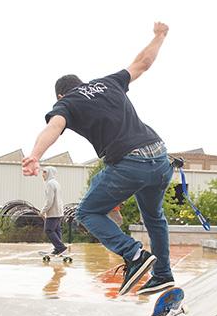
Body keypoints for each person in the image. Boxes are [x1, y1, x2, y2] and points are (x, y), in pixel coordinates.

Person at [23, 22, 174, 295]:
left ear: (60, 95)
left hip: (130, 162)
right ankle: (163, 274)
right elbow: (143, 62)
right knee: (154, 218)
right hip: (160, 157)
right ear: (82, 83)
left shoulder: (66, 103)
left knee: (88, 212)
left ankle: (135, 255)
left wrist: (35, 155)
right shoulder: (109, 82)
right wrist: (160, 36)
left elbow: (54, 126)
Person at [40, 166, 67, 255]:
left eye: (44, 172)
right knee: (56, 230)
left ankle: (60, 247)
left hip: (53, 212)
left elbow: (49, 200)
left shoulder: (50, 184)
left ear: (49, 173)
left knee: (49, 230)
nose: (42, 174)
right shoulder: (56, 183)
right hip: (59, 211)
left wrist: (43, 211)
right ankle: (58, 248)